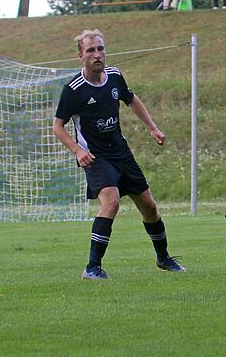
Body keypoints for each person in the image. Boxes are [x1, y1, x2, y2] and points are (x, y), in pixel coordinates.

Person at [53, 29, 185, 280]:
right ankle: (92, 267)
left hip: (121, 153)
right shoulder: (73, 89)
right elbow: (57, 127)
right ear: (81, 55)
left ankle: (164, 258)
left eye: (100, 49)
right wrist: (78, 150)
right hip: (95, 156)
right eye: (91, 50)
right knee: (111, 202)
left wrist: (152, 127)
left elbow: (131, 99)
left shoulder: (114, 76)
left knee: (150, 207)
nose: (97, 54)